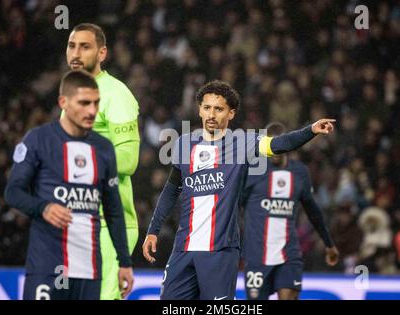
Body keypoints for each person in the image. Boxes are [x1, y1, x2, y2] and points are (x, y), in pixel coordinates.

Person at [142, 80, 336, 300]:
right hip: (183, 249)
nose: (211, 114)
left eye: (219, 109)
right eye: (207, 108)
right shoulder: (185, 144)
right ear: (199, 110)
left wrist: (311, 130)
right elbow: (171, 188)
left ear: (231, 113)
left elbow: (279, 144)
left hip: (220, 252)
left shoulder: (242, 143)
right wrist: (153, 230)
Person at [4, 70, 134, 300]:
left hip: (89, 269)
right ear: (63, 102)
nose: (92, 111)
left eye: (96, 103)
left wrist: (124, 262)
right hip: (47, 265)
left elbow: (114, 211)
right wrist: (43, 207)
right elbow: (13, 192)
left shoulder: (103, 149)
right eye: (84, 103)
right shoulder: (39, 139)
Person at [65, 23, 140, 300]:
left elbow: (129, 160)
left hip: (109, 227)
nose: (76, 53)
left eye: (85, 47)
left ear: (102, 53)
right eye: (72, 46)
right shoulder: (72, 95)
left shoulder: (115, 93)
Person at [240, 122, 339, 300]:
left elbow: (312, 210)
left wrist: (328, 243)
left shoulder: (299, 172)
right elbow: (233, 206)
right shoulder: (253, 170)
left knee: (288, 296)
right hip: (257, 255)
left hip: (289, 253)